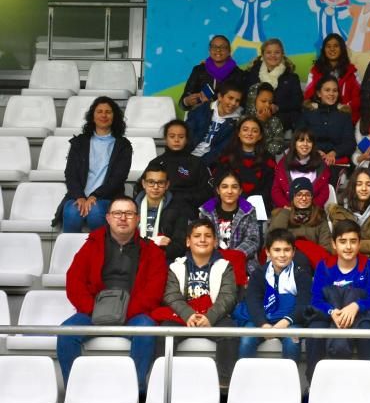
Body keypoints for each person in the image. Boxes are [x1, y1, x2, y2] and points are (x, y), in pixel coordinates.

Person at [57, 197, 166, 386]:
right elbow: (74, 281)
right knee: (66, 333)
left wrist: (125, 313)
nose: (123, 218)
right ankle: (74, 389)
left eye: (129, 213)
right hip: (93, 312)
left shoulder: (152, 251)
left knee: (147, 330)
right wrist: (94, 311)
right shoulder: (92, 244)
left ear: (138, 219)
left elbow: (154, 290)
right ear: (108, 218)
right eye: (117, 213)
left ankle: (135, 391)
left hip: (133, 313)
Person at [158, 218, 240, 384]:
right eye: (197, 236)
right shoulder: (177, 266)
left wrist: (210, 317)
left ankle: (224, 384)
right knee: (164, 332)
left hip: (213, 316)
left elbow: (228, 296)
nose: (202, 240)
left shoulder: (225, 266)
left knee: (230, 333)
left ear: (215, 241)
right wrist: (188, 314)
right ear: (188, 242)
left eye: (208, 236)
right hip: (184, 316)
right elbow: (171, 295)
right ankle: (162, 381)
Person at [306, 219, 370, 378]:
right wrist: (331, 311)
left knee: (367, 331)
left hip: (360, 316)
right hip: (329, 315)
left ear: (359, 243)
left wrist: (356, 306)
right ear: (334, 244)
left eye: (353, 241)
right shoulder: (324, 266)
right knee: (315, 330)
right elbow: (315, 299)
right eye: (342, 241)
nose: (348, 247)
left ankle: (368, 381)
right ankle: (313, 381)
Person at [55, 96, 133, 232]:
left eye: (108, 112)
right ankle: (71, 252)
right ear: (93, 116)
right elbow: (70, 174)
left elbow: (118, 178)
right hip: (78, 196)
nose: (104, 115)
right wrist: (79, 196)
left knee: (95, 212)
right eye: (99, 111)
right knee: (72, 212)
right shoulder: (79, 142)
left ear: (114, 116)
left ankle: (99, 252)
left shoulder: (123, 146)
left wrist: (94, 196)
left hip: (107, 197)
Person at [237, 228, 310, 361]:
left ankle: (288, 381)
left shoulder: (301, 274)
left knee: (291, 343)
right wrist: (264, 325)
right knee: (247, 340)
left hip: (290, 322)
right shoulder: (259, 273)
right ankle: (246, 380)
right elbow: (253, 302)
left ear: (293, 252)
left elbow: (303, 304)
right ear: (267, 252)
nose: (282, 255)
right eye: (277, 250)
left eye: (287, 250)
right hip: (262, 321)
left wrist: (285, 322)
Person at [329, 167, 370, 267]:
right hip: (349, 261)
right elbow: (338, 247)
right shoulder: (340, 211)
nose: (364, 188)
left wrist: (352, 242)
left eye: (368, 185)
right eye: (359, 184)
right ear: (353, 187)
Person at [199, 169, 261, 274]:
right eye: (224, 186)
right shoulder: (206, 211)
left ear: (240, 190)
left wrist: (232, 256)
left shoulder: (249, 210)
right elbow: (202, 239)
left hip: (243, 263)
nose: (229, 191)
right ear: (218, 190)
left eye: (234, 187)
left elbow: (253, 240)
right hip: (212, 262)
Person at [213, 116, 276, 212]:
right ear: (238, 133)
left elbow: (268, 189)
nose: (249, 133)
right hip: (228, 200)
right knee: (206, 209)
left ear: (260, 136)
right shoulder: (226, 156)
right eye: (245, 130)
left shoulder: (268, 160)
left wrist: (246, 204)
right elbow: (218, 183)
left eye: (254, 131)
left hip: (257, 206)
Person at [240, 38, 303, 131]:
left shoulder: (292, 78)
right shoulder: (251, 74)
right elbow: (243, 99)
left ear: (282, 54)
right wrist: (258, 111)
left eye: (277, 52)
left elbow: (297, 103)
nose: (273, 55)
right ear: (262, 55)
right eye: (269, 52)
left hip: (280, 122)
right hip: (252, 120)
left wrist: (277, 107)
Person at [150, 120, 214, 211]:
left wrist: (186, 199)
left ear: (187, 139)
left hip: (190, 211)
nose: (176, 140)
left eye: (181, 137)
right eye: (172, 136)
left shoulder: (197, 163)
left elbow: (208, 193)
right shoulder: (156, 163)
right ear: (165, 138)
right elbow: (143, 188)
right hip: (161, 210)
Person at [135, 162, 191, 262]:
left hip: (164, 258)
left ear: (167, 185)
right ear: (143, 184)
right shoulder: (131, 207)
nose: (155, 187)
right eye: (151, 182)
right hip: (135, 256)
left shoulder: (179, 209)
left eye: (160, 183)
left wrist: (168, 247)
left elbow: (181, 245)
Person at [297, 75, 356, 168]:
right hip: (310, 158)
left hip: (337, 162)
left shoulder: (344, 115)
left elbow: (350, 142)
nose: (331, 94)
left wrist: (334, 153)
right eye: (327, 90)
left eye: (335, 90)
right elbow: (298, 137)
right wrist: (314, 151)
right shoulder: (308, 113)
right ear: (319, 93)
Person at [304, 33, 360, 123]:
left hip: (346, 119)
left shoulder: (352, 71)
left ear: (342, 49)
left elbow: (358, 97)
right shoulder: (315, 71)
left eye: (336, 46)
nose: (332, 49)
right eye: (328, 46)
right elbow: (308, 96)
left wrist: (345, 107)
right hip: (320, 118)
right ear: (323, 50)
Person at [271, 128, 332, 210]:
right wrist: (286, 207)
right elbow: (276, 190)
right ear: (294, 143)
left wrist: (310, 208)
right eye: (301, 140)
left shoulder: (321, 165)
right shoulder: (283, 163)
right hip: (286, 209)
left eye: (309, 141)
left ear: (313, 145)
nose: (305, 144)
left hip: (313, 211)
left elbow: (324, 193)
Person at [269, 177, 333, 253]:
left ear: (312, 197)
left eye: (307, 195)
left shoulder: (319, 215)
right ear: (293, 197)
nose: (303, 198)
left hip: (312, 258)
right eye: (299, 195)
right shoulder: (282, 214)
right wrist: (285, 212)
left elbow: (326, 246)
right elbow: (274, 239)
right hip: (286, 258)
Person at [187, 79, 243, 164]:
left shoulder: (236, 123)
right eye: (230, 98)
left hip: (207, 163)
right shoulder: (203, 109)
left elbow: (220, 149)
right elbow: (187, 132)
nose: (233, 103)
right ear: (220, 97)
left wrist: (201, 165)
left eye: (237, 100)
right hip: (187, 155)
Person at [179, 34, 239, 112]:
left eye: (223, 47)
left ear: (229, 51)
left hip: (226, 118)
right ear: (209, 50)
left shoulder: (238, 74)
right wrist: (187, 101)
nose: (218, 50)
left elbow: (240, 103)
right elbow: (182, 103)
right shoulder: (199, 70)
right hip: (199, 117)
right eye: (214, 46)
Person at [244, 82, 285, 158]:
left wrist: (264, 124)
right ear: (252, 100)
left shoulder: (275, 122)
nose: (267, 105)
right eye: (263, 101)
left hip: (265, 162)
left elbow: (278, 148)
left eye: (270, 102)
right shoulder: (243, 120)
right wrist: (260, 122)